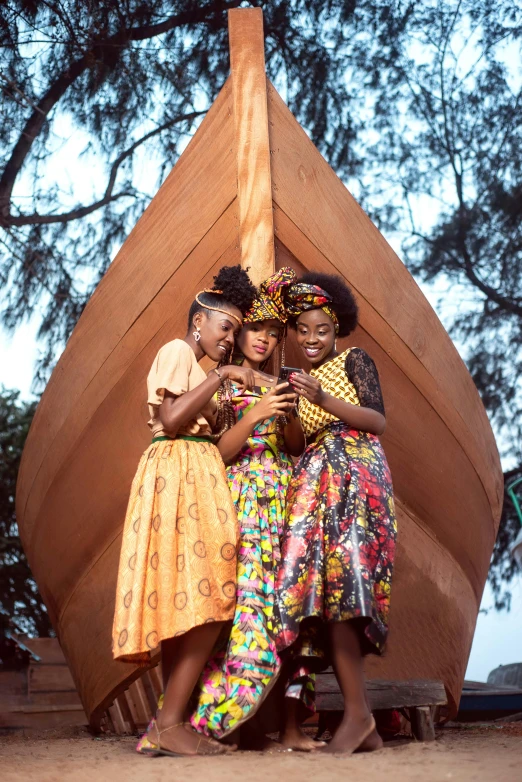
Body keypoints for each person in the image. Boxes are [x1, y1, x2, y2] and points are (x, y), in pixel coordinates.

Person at [112, 265, 258, 757]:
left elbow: (215, 444)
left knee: (192, 599)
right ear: (200, 321)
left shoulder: (201, 372)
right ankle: (170, 723)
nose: (231, 339)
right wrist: (221, 375)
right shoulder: (178, 351)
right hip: (175, 470)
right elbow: (173, 420)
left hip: (200, 470)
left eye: (238, 331)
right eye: (226, 327)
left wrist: (255, 414)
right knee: (210, 596)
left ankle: (165, 724)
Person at [189, 267, 321, 751]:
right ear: (238, 330)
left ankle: (291, 727)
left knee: (292, 608)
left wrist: (284, 416)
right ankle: (234, 723)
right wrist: (254, 414)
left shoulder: (286, 381)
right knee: (243, 610)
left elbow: (293, 447)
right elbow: (216, 453)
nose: (263, 339)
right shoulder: (219, 383)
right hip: (241, 502)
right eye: (255, 328)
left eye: (273, 332)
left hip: (285, 500)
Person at [276, 272, 397, 754]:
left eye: (321, 329)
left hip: (355, 478)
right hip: (313, 483)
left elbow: (378, 420)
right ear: (291, 332)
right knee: (322, 597)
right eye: (302, 329)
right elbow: (294, 444)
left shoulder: (354, 361)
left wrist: (322, 398)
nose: (311, 339)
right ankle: (360, 722)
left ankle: (358, 716)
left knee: (348, 589)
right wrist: (287, 410)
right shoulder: (292, 378)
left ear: (337, 328)